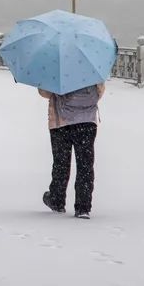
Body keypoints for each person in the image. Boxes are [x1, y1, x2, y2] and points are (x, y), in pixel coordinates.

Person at [38, 83, 105, 219]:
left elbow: (44, 92)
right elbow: (99, 92)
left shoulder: (55, 66)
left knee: (61, 163)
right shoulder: (92, 67)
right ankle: (83, 207)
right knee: (85, 165)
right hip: (87, 122)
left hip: (61, 122)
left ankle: (57, 199)